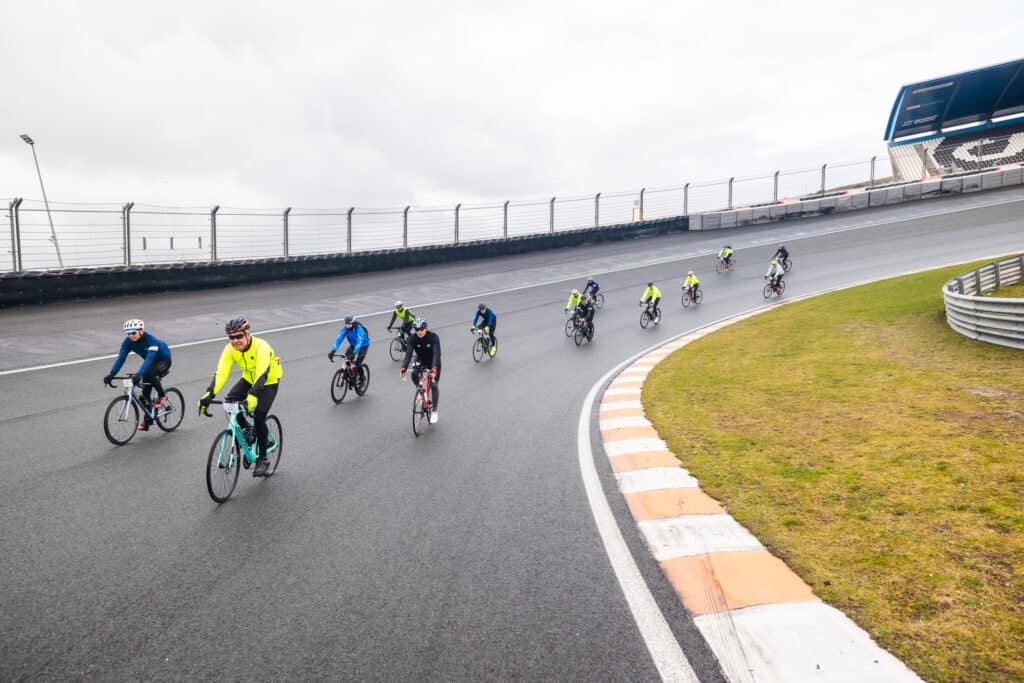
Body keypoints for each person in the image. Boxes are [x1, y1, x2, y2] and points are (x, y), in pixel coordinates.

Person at [198, 318, 282, 477]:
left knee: (259, 415)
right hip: (249, 379)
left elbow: (262, 373)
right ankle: (248, 429)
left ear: (247, 334)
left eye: (239, 336)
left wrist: (252, 396)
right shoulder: (229, 350)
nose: (235, 341)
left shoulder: (261, 347)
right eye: (231, 338)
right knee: (229, 402)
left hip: (268, 381)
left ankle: (262, 458)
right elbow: (221, 373)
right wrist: (209, 394)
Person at [104, 319, 173, 431]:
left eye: (133, 332)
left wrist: (139, 374)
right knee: (144, 395)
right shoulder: (128, 342)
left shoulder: (151, 340)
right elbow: (121, 358)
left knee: (149, 374)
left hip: (163, 360)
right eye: (128, 333)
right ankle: (148, 421)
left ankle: (162, 395)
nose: (131, 335)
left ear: (141, 330)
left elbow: (149, 359)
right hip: (151, 364)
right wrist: (112, 373)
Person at [400, 318, 441, 423]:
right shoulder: (412, 339)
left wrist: (434, 368)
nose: (419, 331)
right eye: (417, 329)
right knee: (414, 373)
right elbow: (408, 354)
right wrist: (404, 367)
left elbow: (436, 353)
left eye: (422, 329)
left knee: (433, 384)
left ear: (426, 328)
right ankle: (420, 389)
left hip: (433, 361)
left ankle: (435, 411)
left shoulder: (433, 337)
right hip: (421, 359)